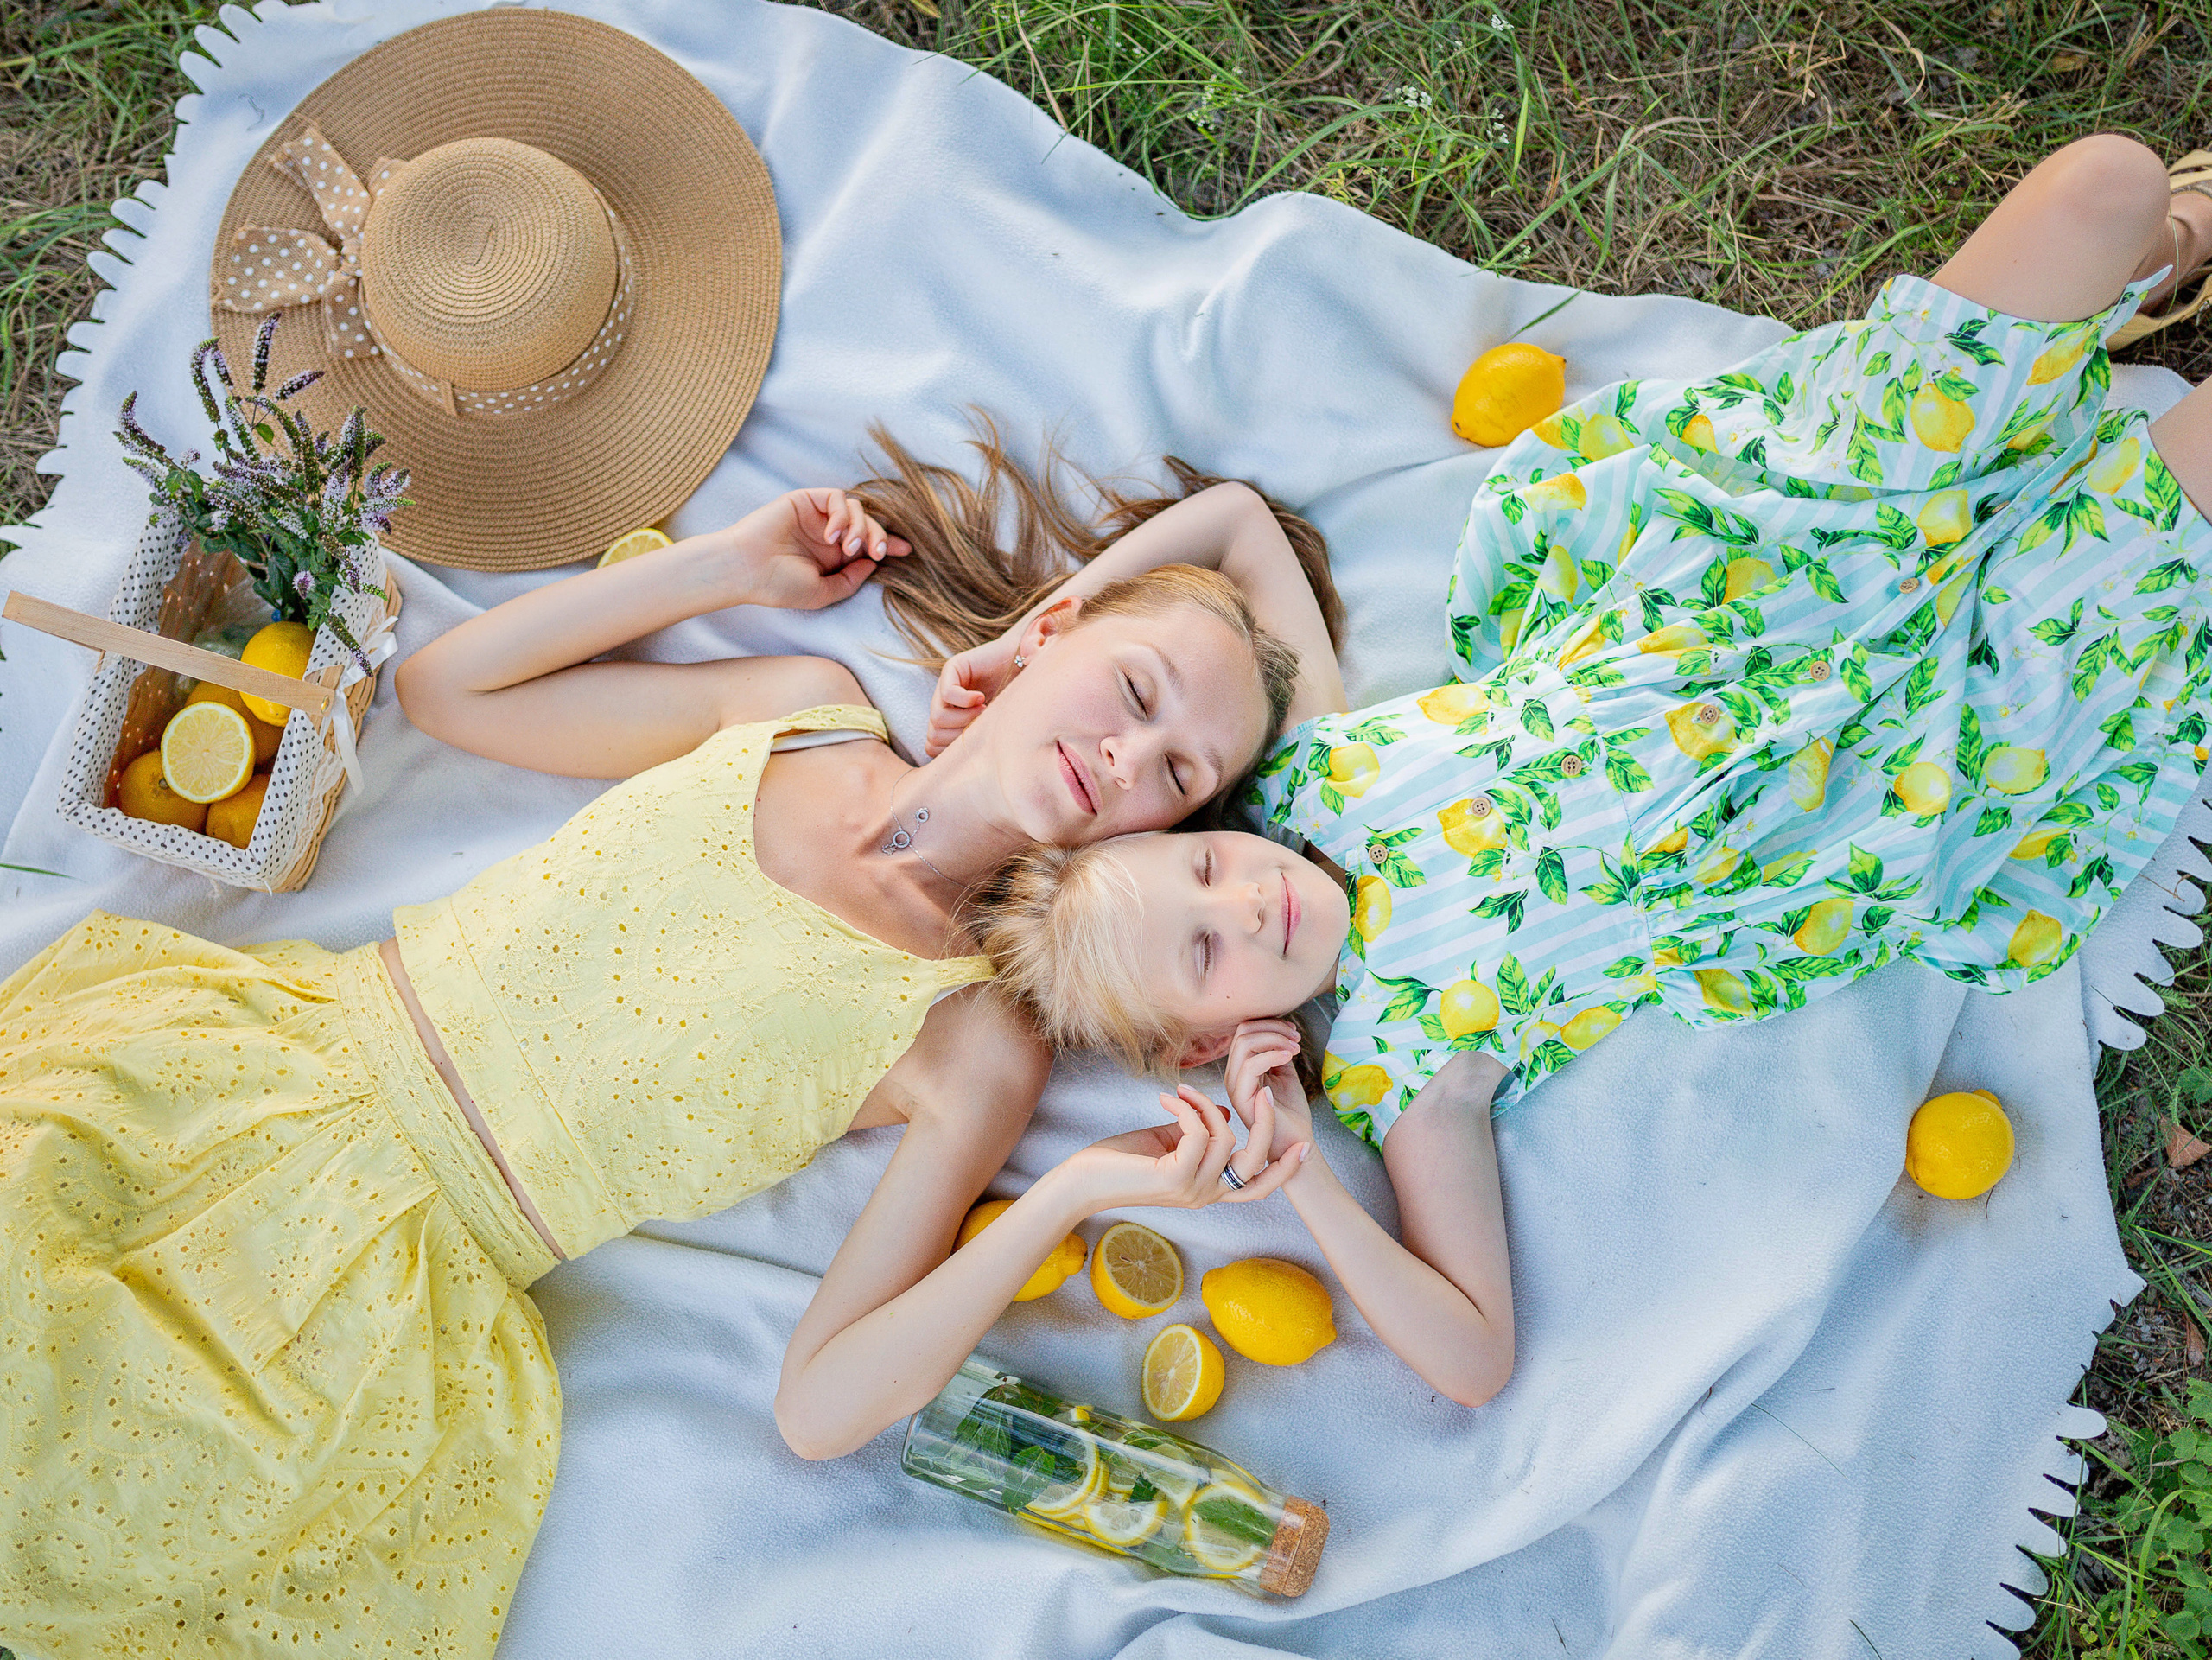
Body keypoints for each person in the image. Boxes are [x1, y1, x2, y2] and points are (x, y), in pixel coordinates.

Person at [0, 432, 1341, 1658]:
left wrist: (1076, 1185)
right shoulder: (804, 709)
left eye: (1176, 775)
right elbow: (449, 684)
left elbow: (821, 1409)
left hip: (396, 1286)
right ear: (1055, 631)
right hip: (272, 1071)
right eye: (1135, 690)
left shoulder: (976, 1037)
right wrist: (730, 565)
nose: (1127, 752)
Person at [959, 136, 2212, 1410]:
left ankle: (2158, 263)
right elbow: (1473, 1358)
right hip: (1895, 766)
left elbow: (1231, 523)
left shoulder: (1312, 776)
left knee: (2103, 186)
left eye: (1207, 866)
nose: (1246, 901)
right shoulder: (1408, 1068)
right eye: (1207, 951)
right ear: (1211, 1039)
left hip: (1786, 557)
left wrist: (1030, 634)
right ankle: (2116, 404)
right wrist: (1302, 1180)